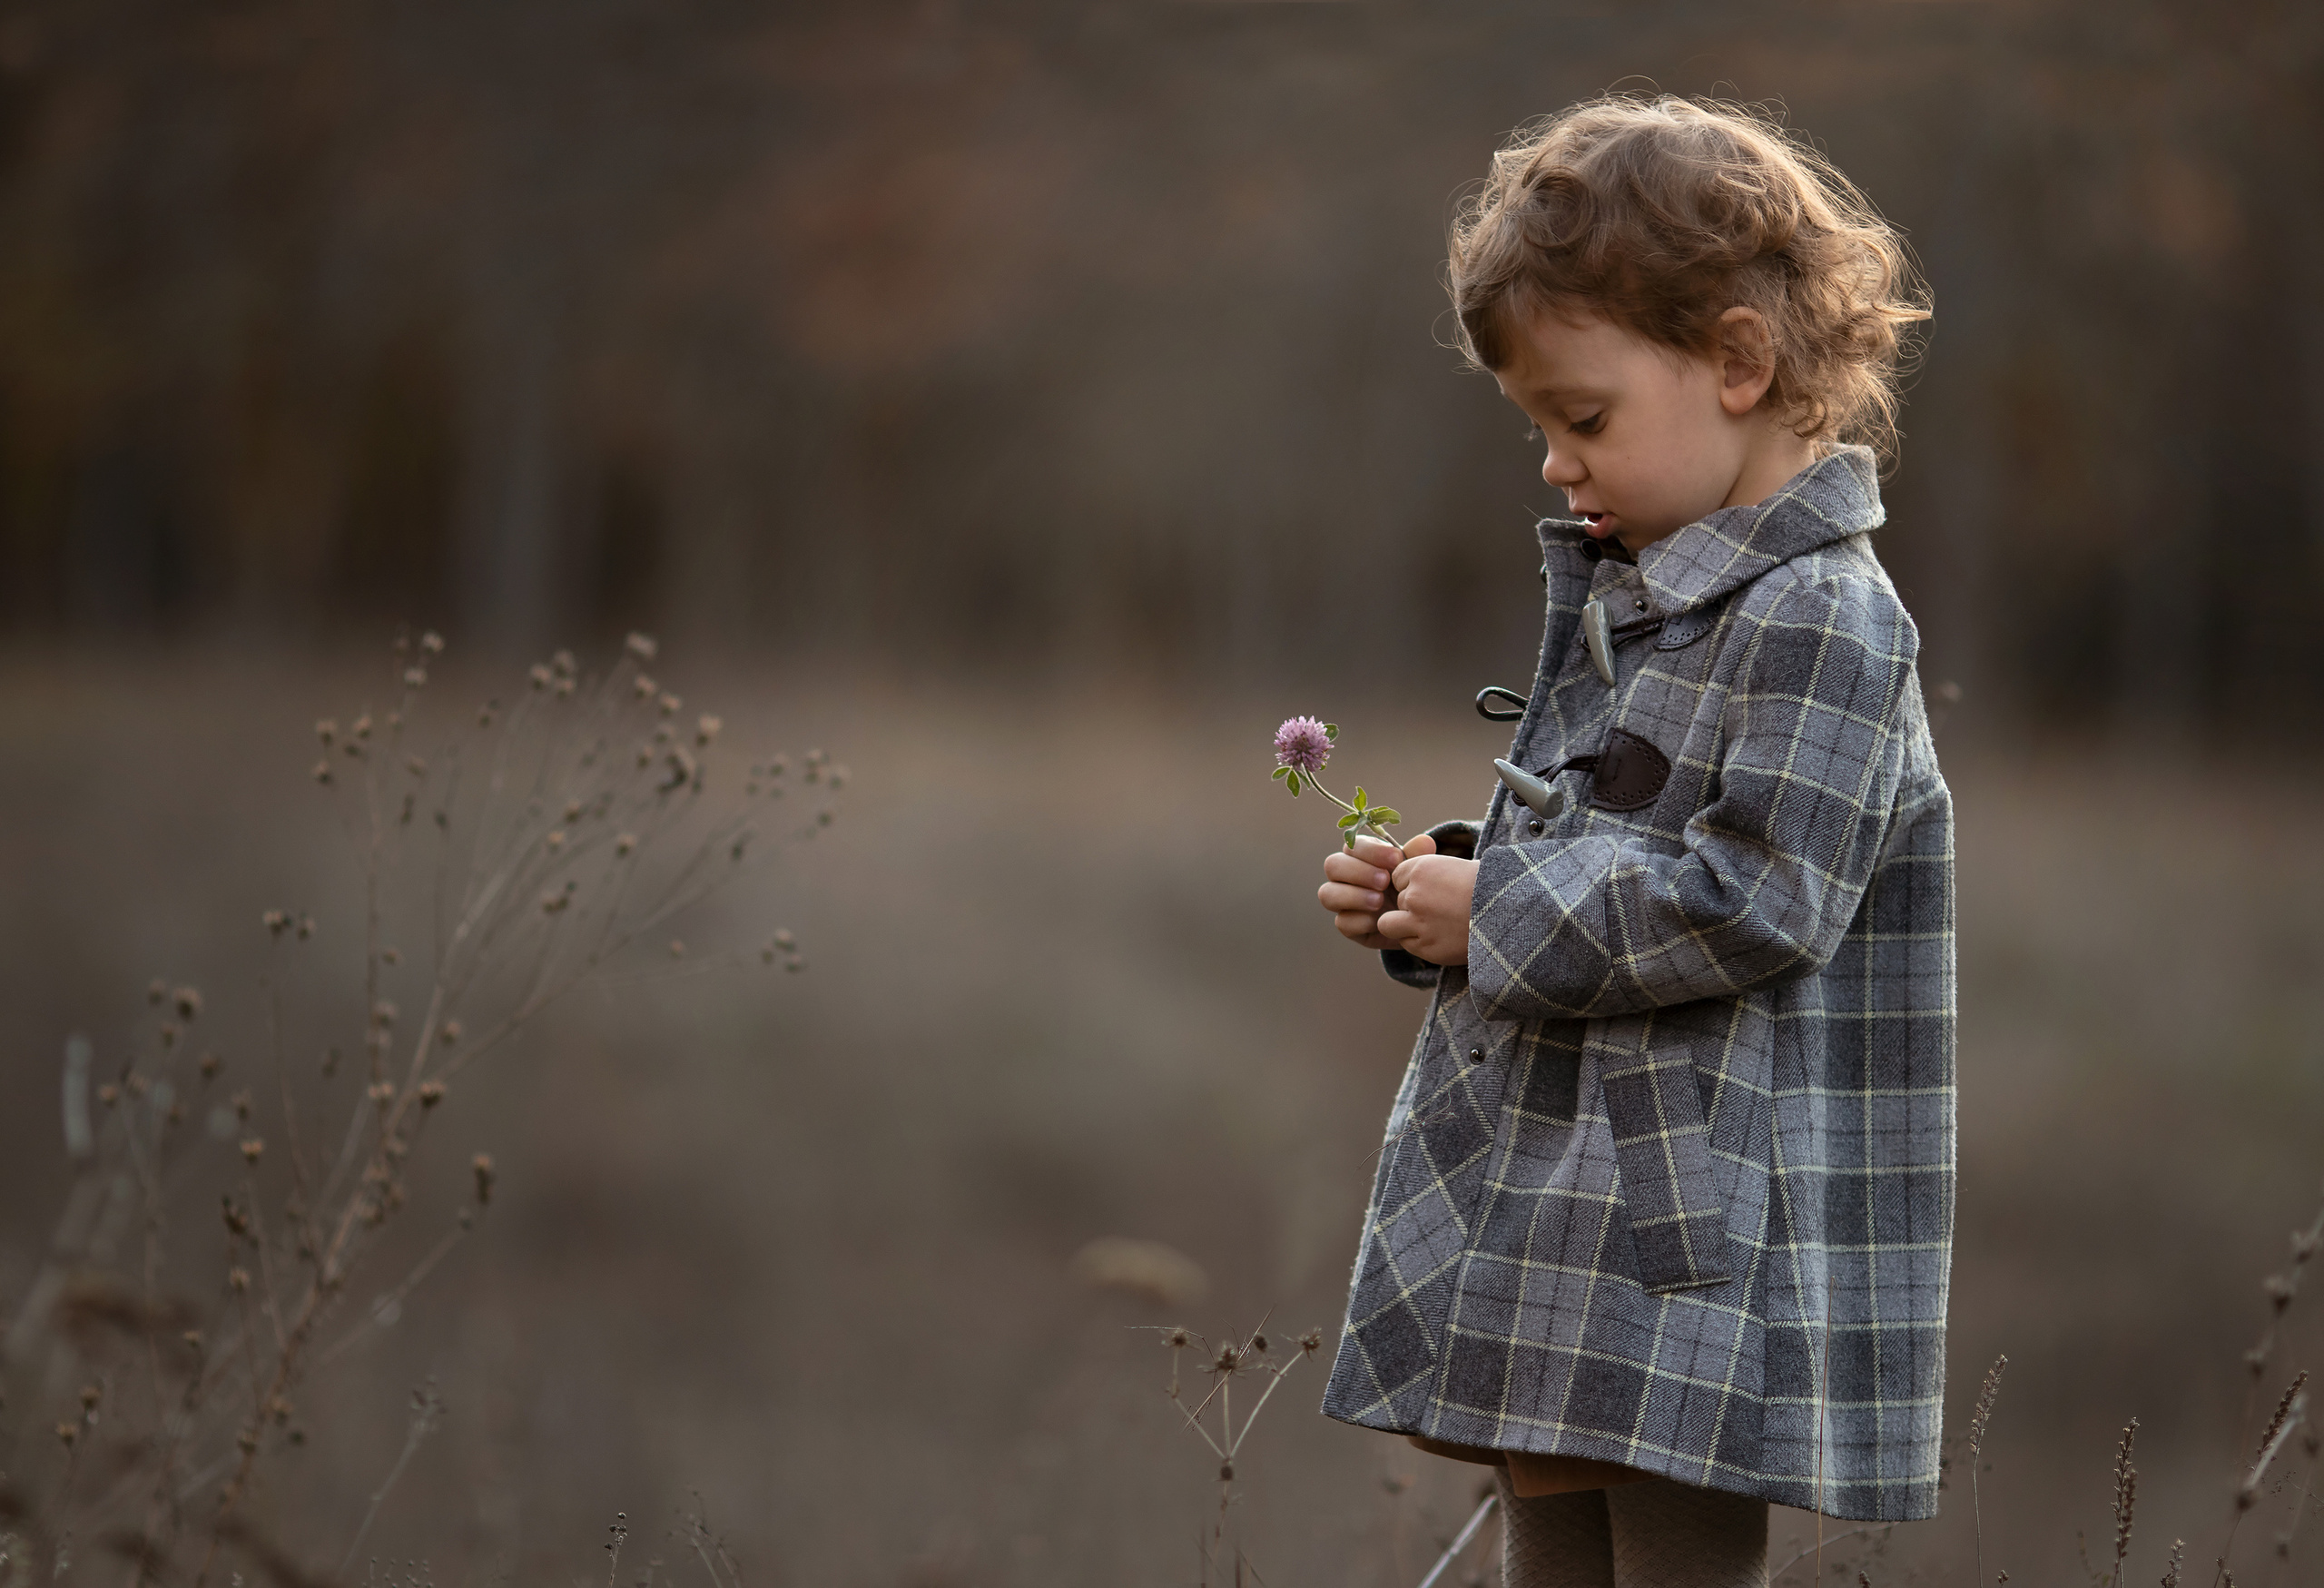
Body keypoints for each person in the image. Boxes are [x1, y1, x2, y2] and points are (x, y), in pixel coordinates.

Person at [1313, 95, 1952, 1588]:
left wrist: (1504, 913)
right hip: (1581, 1159)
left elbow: (1758, 895)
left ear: (1740, 361)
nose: (1554, 464)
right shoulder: (1656, 592)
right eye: (1540, 426)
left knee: (1659, 1468)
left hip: (1699, 1200)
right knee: (1548, 1443)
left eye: (1582, 418)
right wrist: (1444, 887)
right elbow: (1609, 835)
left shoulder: (1828, 618)